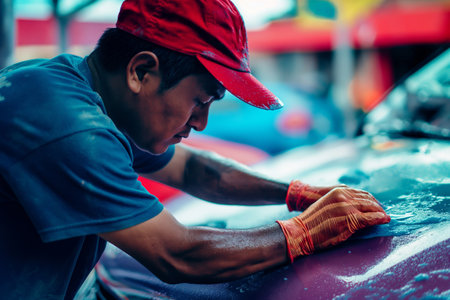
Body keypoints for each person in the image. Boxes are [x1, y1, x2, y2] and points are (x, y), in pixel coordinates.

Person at [0, 0, 390, 298]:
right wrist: (304, 232)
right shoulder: (65, 124)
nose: (201, 123)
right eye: (201, 100)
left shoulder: (86, 93)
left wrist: (294, 194)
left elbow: (192, 171)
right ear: (140, 71)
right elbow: (176, 254)